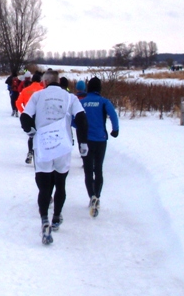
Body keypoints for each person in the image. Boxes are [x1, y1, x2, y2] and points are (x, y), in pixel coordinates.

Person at [21, 69, 89, 245]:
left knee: (44, 187)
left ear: (44, 82)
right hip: (62, 145)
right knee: (60, 183)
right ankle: (57, 216)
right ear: (59, 81)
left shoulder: (38, 96)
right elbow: (82, 119)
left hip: (43, 144)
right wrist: (83, 143)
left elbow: (25, 117)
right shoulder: (70, 98)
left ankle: (44, 219)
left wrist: (30, 131)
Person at [78, 76, 119, 218]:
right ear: (99, 88)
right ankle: (98, 195)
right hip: (101, 140)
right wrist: (115, 130)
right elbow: (113, 115)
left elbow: (72, 119)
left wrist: (80, 128)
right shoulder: (103, 102)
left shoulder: (81, 102)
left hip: (86, 141)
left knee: (88, 171)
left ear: (88, 88)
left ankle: (91, 197)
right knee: (98, 169)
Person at [16, 72, 46, 164]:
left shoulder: (25, 90)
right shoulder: (43, 90)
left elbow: (18, 102)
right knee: (42, 135)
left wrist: (24, 112)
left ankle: (30, 152)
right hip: (41, 116)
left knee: (31, 135)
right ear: (40, 80)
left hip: (29, 115)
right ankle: (42, 154)